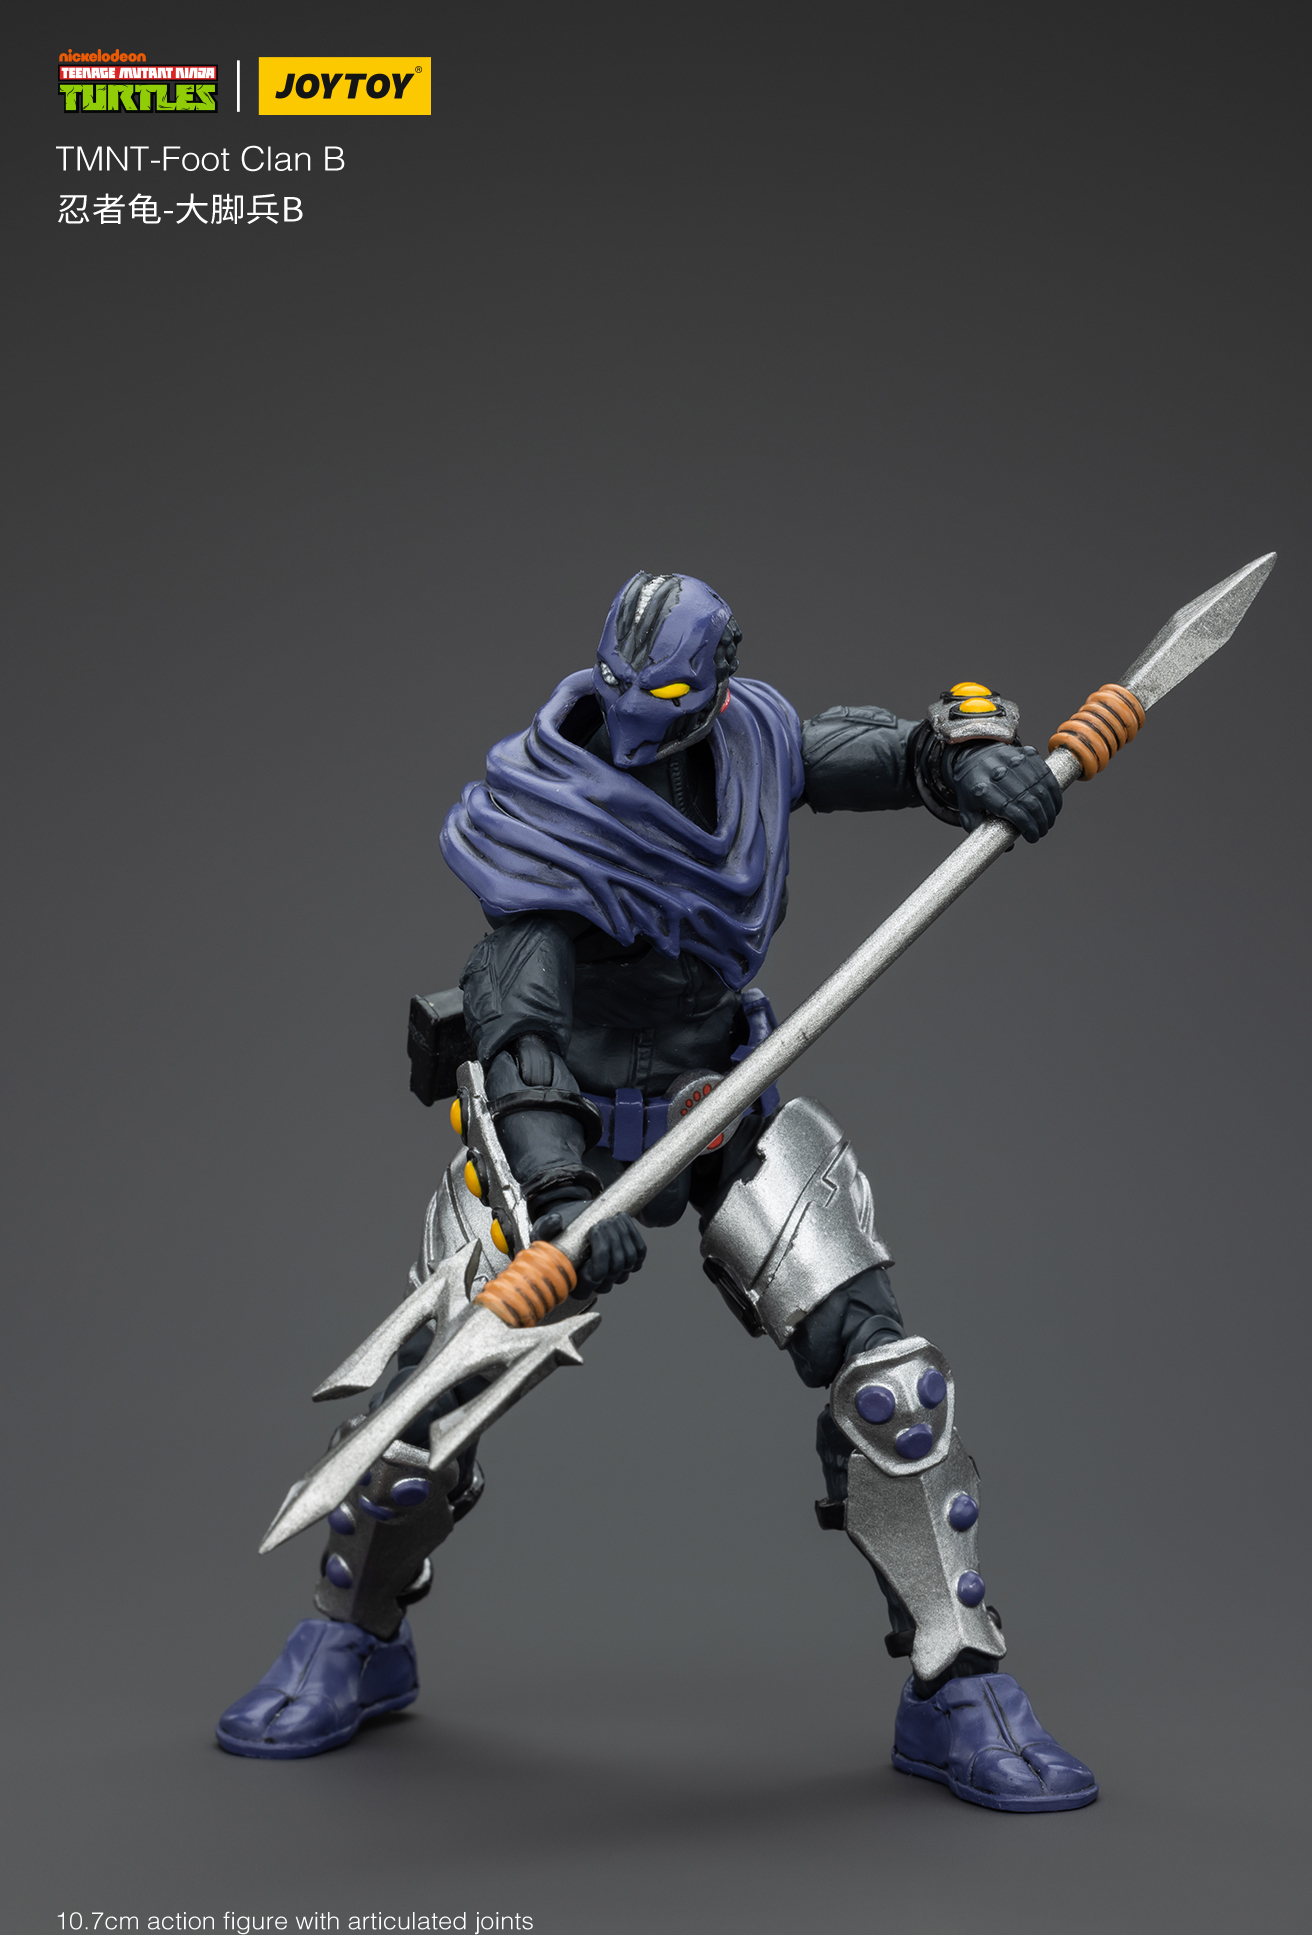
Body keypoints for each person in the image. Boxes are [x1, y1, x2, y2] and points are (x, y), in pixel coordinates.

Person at [218, 570, 1097, 1812]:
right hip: (568, 1131)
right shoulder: (548, 812)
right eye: (628, 696)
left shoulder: (750, 743)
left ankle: (956, 1681)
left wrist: (960, 769)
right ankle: (351, 1639)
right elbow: (516, 1035)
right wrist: (560, 1198)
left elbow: (870, 753)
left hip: (720, 1098)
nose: (640, 725)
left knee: (890, 1382)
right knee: (424, 1397)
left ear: (712, 687)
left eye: (671, 700)